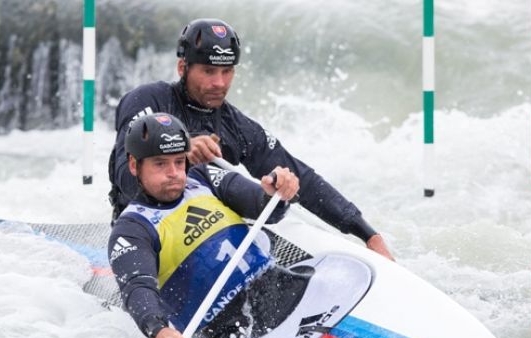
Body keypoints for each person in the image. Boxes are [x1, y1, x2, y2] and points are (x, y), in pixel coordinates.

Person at [108, 18, 395, 261]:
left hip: (205, 239)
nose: (219, 83)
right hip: (145, 236)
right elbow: (125, 174)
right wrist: (179, 148)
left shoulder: (236, 126)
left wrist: (366, 233)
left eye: (227, 71)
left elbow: (301, 178)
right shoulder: (147, 100)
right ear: (183, 68)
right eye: (208, 71)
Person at [108, 112, 302, 338]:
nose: (174, 173)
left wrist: (276, 191)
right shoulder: (131, 229)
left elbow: (265, 207)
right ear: (134, 165)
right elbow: (137, 288)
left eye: (179, 161)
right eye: (160, 164)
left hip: (283, 292)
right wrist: (159, 330)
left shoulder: (203, 178)